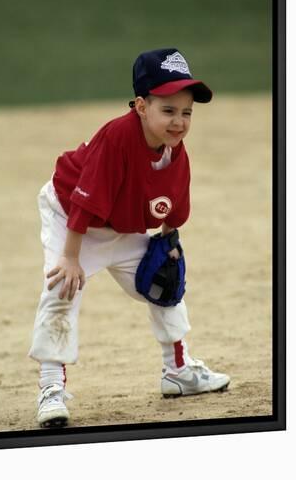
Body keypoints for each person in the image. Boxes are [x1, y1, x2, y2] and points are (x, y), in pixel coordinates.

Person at [28, 48, 230, 428]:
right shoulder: (118, 137)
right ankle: (51, 388)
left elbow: (172, 210)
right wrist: (71, 258)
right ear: (141, 106)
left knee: (166, 284)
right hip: (71, 219)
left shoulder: (175, 152)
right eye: (168, 110)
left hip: (119, 226)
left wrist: (168, 246)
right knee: (61, 288)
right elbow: (84, 202)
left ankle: (178, 370)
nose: (179, 121)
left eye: (186, 112)